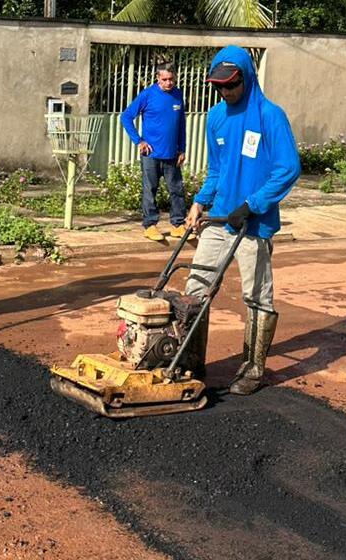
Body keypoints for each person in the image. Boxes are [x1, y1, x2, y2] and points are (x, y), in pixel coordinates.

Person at [183, 45, 301, 395]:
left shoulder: (270, 116)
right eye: (219, 86)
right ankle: (189, 361)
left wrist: (253, 204)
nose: (225, 92)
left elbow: (288, 168)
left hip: (254, 224)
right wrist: (199, 201)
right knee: (194, 289)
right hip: (219, 219)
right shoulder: (216, 117)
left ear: (246, 79)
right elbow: (216, 170)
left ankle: (252, 368)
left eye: (231, 85)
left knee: (256, 296)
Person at [120, 61, 188, 242]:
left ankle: (178, 225)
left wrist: (182, 148)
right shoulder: (147, 95)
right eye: (164, 79)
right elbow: (126, 116)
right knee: (150, 189)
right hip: (151, 155)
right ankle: (150, 226)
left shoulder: (178, 95)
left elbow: (181, 123)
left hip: (172, 154)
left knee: (177, 189)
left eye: (171, 79)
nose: (168, 83)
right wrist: (139, 141)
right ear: (158, 78)